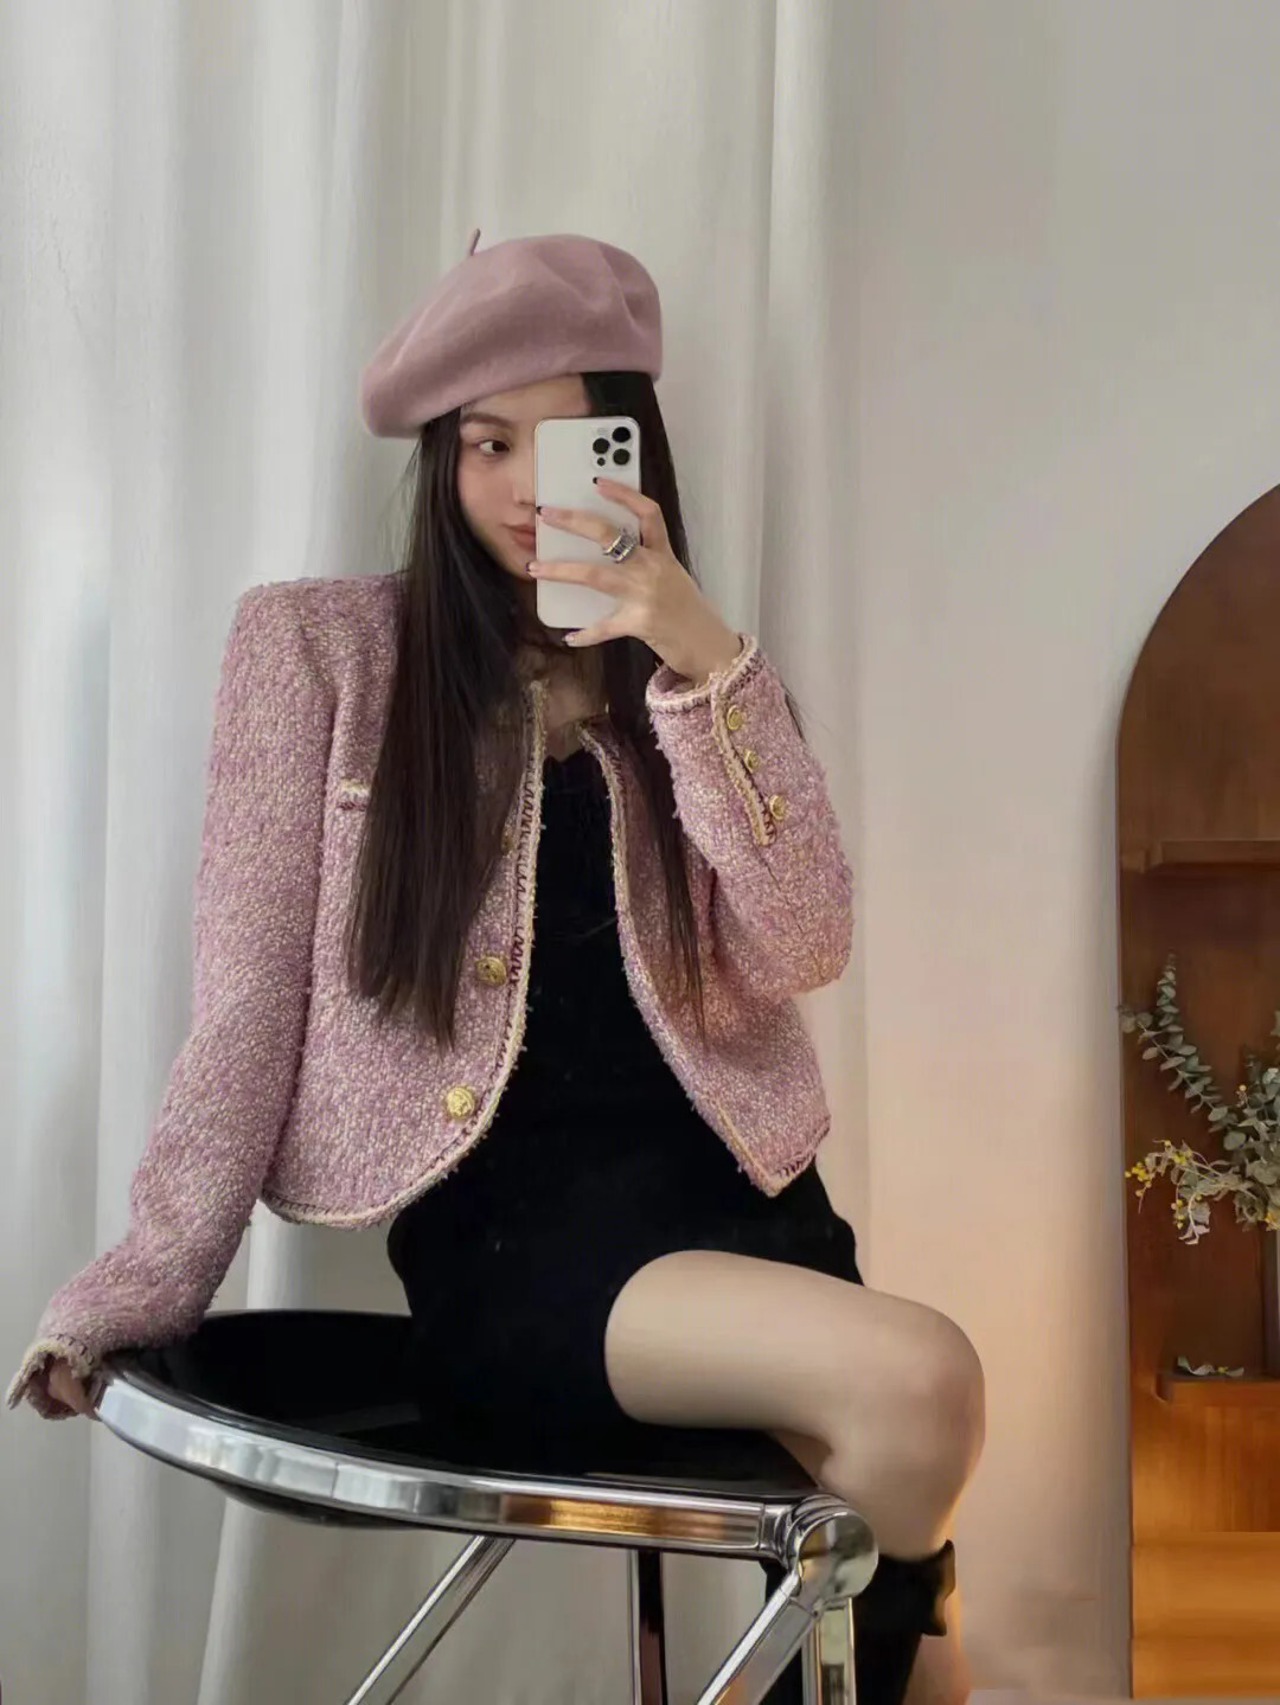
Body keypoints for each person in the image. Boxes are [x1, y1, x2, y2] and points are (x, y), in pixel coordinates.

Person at [6, 230, 983, 1705]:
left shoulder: (689, 679)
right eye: (486, 444)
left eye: (566, 440)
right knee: (923, 1386)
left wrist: (696, 652)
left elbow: (809, 939)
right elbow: (245, 1011)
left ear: (632, 452)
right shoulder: (323, 653)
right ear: (440, 460)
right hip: (523, 1256)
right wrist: (138, 1283)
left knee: (903, 1553)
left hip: (755, 1223)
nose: (527, 487)